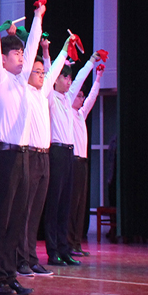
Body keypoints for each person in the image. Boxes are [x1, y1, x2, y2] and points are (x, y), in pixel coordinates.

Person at [0, 0, 44, 295]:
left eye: (21, 54)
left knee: (17, 219)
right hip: (3, 157)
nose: (21, 57)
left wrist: (38, 16)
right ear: (3, 60)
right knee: (1, 219)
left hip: (24, 156)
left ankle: (11, 274)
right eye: (15, 54)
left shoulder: (22, 83)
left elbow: (33, 45)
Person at [17, 37, 67, 277]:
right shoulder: (24, 91)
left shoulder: (43, 92)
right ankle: (20, 260)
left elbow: (54, 69)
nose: (40, 75)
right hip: (29, 156)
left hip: (45, 157)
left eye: (41, 72)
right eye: (36, 71)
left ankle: (31, 258)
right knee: (25, 211)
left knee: (36, 211)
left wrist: (64, 48)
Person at [44, 50, 97, 267]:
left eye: (69, 78)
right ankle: (53, 251)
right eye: (65, 77)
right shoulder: (50, 96)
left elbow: (81, 78)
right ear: (56, 78)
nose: (69, 82)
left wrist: (91, 61)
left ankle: (64, 250)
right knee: (54, 203)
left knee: (66, 204)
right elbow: (49, 71)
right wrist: (46, 53)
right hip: (56, 152)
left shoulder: (67, 99)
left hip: (69, 153)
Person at [69, 63, 105, 254]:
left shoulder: (81, 115)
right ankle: (69, 244)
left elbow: (92, 98)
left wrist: (98, 78)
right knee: (72, 204)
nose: (82, 99)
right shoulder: (67, 112)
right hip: (73, 162)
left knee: (80, 205)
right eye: (79, 95)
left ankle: (76, 243)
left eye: (82, 96)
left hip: (83, 163)